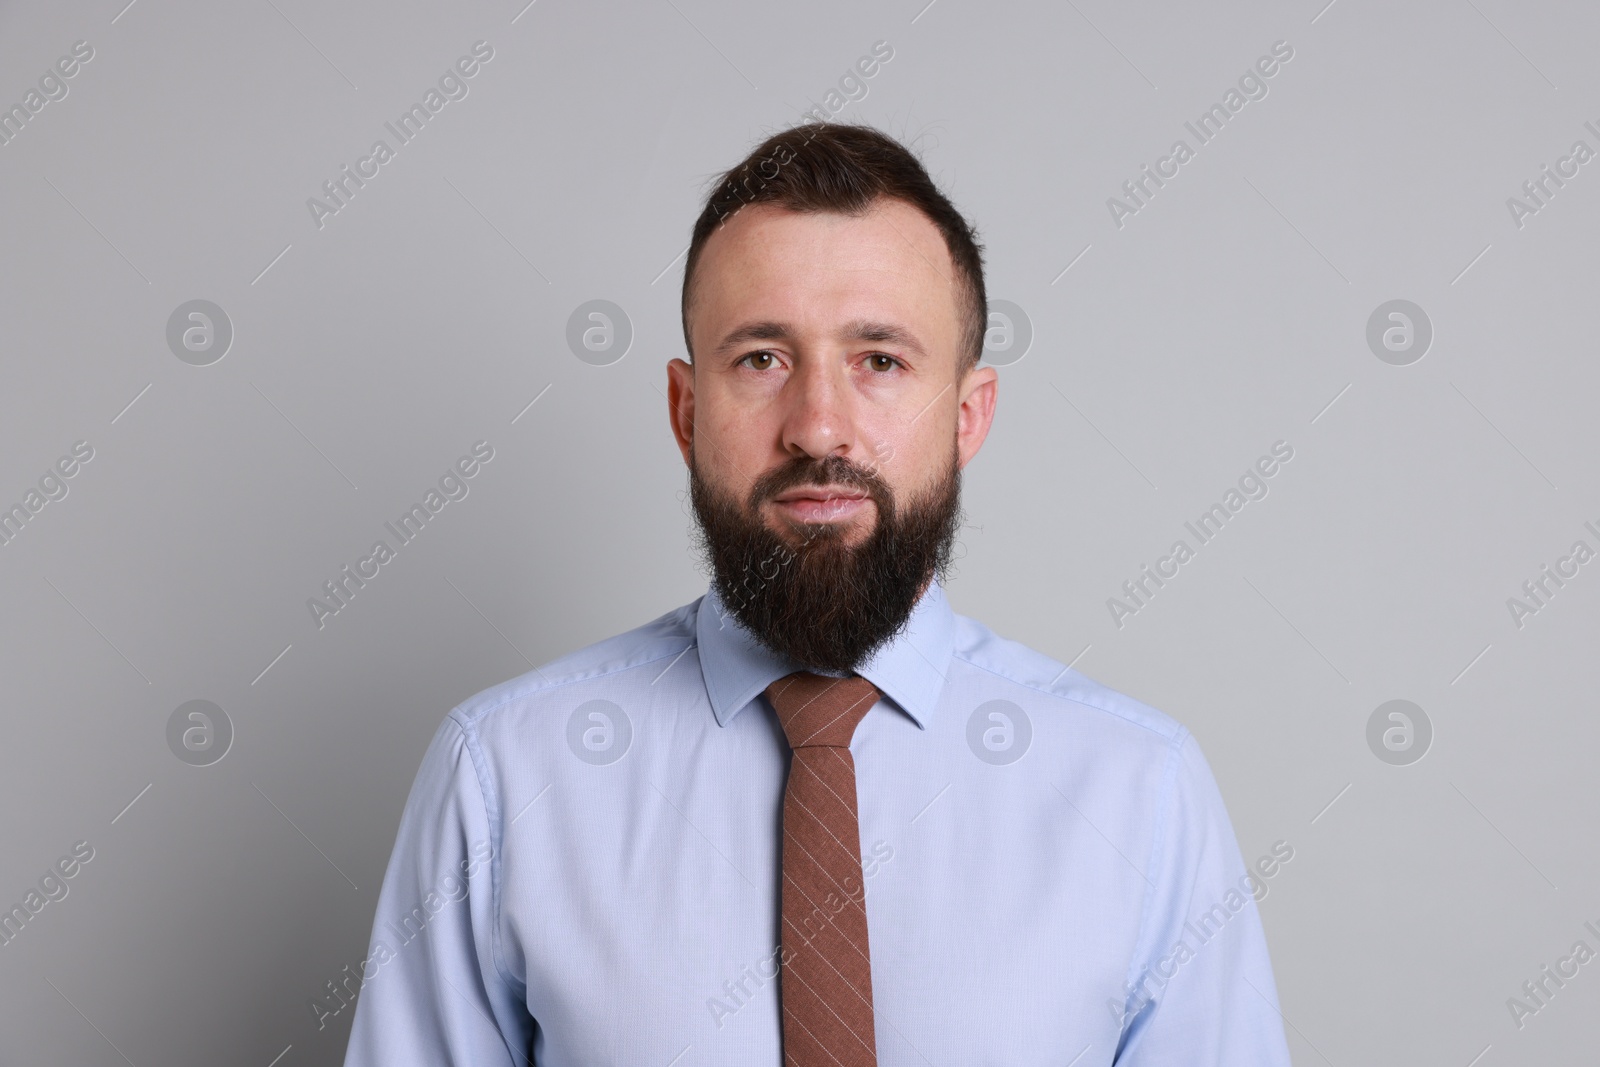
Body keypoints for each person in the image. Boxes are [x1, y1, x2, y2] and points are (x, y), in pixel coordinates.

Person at [341, 121, 1293, 1066]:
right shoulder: (505, 779)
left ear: (968, 417)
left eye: (880, 359)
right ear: (686, 409)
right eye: (762, 358)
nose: (819, 426)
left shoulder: (1139, 793)